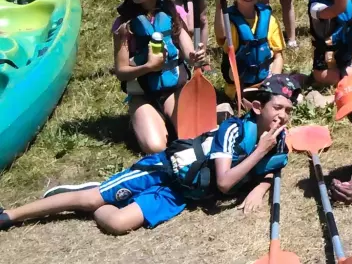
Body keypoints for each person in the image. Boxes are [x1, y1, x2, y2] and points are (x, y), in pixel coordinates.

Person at [0, 75, 298, 234]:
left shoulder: (278, 142)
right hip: (165, 169)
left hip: (182, 194)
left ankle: (92, 200)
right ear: (258, 108)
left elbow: (274, 167)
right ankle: (11, 215)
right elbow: (223, 183)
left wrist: (261, 187)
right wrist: (259, 151)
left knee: (117, 224)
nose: (282, 117)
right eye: (277, 109)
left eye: (288, 111)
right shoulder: (233, 130)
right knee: (93, 198)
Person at [111, 0, 206, 154]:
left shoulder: (174, 15)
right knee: (156, 148)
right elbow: (121, 72)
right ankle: (142, 118)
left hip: (175, 90)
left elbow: (188, 52)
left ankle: (167, 118)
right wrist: (147, 67)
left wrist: (196, 57)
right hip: (142, 95)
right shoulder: (124, 25)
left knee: (194, 138)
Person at [215, 0, 284, 102]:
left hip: (266, 80)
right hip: (240, 86)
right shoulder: (228, 19)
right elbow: (221, 36)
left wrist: (273, 80)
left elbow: (278, 56)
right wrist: (219, 6)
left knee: (293, 96)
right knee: (257, 104)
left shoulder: (269, 19)